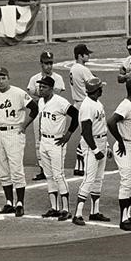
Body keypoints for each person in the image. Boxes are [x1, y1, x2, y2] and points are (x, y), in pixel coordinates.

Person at [0, 67, 38, 217]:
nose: (0, 81)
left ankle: (20, 203)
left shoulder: (18, 93)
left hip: (14, 133)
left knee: (16, 169)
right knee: (2, 170)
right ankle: (9, 203)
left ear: (8, 78)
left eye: (3, 78)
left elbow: (34, 108)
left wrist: (24, 125)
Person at [36, 76, 78, 221]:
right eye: (40, 86)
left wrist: (68, 135)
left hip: (57, 142)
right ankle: (54, 208)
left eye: (44, 87)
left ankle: (66, 209)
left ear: (51, 88)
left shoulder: (60, 102)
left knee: (58, 175)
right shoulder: (41, 101)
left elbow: (75, 115)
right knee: (49, 175)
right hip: (44, 142)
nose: (41, 89)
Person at [107, 78, 131, 231]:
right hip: (126, 147)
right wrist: (120, 141)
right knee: (126, 182)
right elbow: (111, 122)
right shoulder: (126, 106)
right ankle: (123, 220)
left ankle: (127, 215)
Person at [72, 77, 110, 226]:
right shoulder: (87, 106)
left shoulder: (97, 103)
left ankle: (94, 212)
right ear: (96, 90)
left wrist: (105, 147)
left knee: (98, 179)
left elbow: (101, 127)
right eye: (101, 88)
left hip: (100, 142)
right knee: (89, 179)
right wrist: (95, 150)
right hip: (91, 145)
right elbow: (86, 132)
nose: (102, 89)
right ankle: (78, 214)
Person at [27, 50, 66, 181]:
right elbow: (30, 97)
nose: (49, 66)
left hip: (54, 115)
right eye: (46, 63)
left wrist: (39, 96)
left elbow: (55, 95)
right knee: (39, 141)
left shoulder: (58, 78)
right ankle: (43, 169)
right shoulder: (34, 79)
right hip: (39, 114)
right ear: (41, 64)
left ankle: (55, 169)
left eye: (50, 63)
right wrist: (41, 96)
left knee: (53, 139)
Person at [69, 44, 96, 176]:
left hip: (77, 103)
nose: (88, 55)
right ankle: (80, 163)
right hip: (85, 104)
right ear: (80, 55)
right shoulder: (82, 68)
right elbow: (94, 83)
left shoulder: (74, 68)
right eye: (86, 54)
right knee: (87, 132)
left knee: (85, 132)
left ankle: (79, 165)